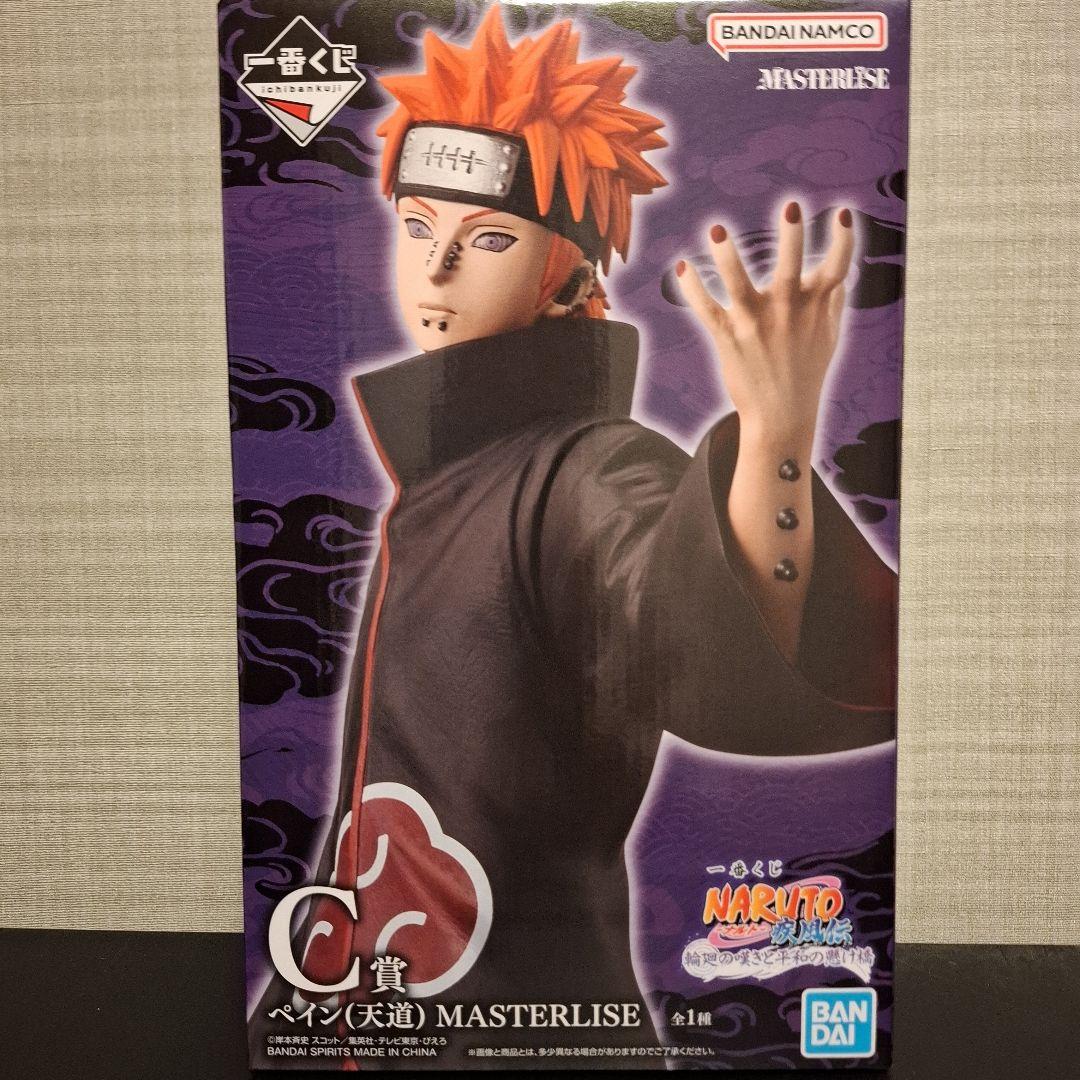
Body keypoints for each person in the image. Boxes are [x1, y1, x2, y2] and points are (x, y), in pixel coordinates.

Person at [252, 7, 896, 1068]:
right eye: (417, 225)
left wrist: (776, 439)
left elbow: (685, 639)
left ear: (571, 276)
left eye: (489, 238)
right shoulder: (445, 472)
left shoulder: (589, 468)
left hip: (524, 1029)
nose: (436, 268)